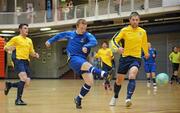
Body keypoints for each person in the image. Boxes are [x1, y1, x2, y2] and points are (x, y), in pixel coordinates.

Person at [45, 19, 109, 109]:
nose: (83, 30)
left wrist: (86, 46)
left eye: (85, 28)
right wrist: (50, 41)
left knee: (90, 82)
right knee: (86, 64)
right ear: (77, 27)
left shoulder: (87, 35)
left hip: (82, 59)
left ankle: (78, 98)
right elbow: (59, 35)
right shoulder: (70, 34)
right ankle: (104, 74)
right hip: (73, 58)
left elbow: (94, 41)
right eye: (82, 28)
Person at [109, 12, 149, 107]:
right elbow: (114, 40)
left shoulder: (143, 32)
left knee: (132, 75)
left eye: (137, 20)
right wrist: (118, 48)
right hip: (125, 58)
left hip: (136, 58)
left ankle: (128, 98)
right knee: (119, 81)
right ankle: (115, 96)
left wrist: (146, 53)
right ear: (130, 20)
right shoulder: (124, 30)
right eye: (133, 20)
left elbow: (144, 43)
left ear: (139, 21)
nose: (135, 21)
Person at [4, 23, 39, 105]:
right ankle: (18, 100)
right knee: (23, 78)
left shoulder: (29, 40)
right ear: (20, 30)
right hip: (18, 60)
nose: (27, 30)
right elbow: (6, 47)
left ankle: (10, 85)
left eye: (27, 28)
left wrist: (35, 54)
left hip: (26, 61)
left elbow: (31, 52)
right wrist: (9, 48)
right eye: (25, 28)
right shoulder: (16, 39)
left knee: (27, 82)